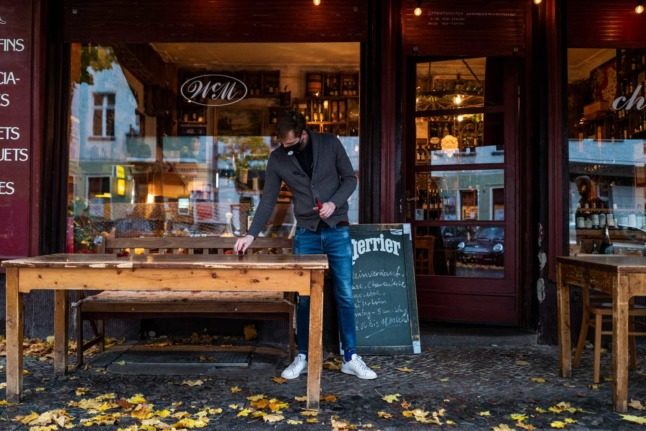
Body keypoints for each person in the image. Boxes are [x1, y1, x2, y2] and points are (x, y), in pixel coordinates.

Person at [234, 111, 377, 380]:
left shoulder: (330, 143)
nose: (286, 149)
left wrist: (334, 203)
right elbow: (267, 200)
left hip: (337, 229)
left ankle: (351, 357)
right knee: (304, 296)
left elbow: (350, 179)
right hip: (307, 233)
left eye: (291, 144)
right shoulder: (277, 158)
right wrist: (251, 234)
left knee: (345, 293)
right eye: (282, 145)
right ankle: (303, 355)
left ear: (303, 133)